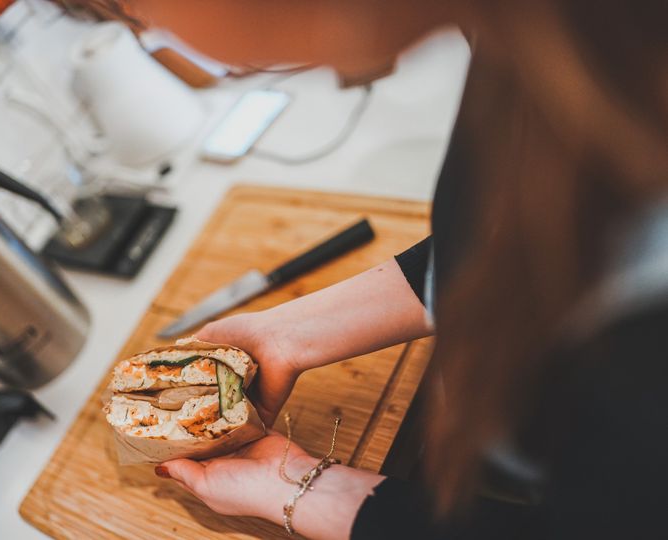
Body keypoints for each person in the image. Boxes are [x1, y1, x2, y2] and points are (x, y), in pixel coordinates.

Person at [107, 1, 668, 538]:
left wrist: (305, 495)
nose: (146, 28)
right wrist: (291, 334)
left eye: (130, 4)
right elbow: (521, 237)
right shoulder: (554, 48)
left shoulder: (642, 345)